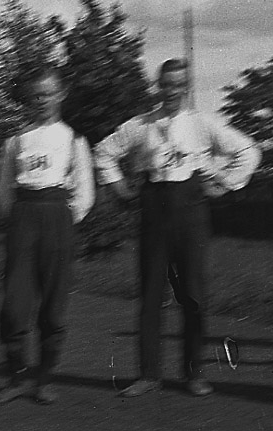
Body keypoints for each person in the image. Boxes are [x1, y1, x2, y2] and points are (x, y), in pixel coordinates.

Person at [94, 58, 259, 398]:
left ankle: (193, 374)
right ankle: (148, 375)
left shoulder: (203, 123)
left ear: (187, 87)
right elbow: (104, 152)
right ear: (158, 86)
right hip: (154, 213)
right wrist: (120, 186)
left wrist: (224, 183)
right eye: (166, 84)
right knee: (151, 296)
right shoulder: (140, 125)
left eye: (178, 85)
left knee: (194, 295)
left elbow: (248, 152)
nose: (171, 91)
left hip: (191, 215)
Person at [0, 67, 95, 406]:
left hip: (57, 219)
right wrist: (18, 219)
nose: (41, 100)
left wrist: (63, 219)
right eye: (36, 94)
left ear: (61, 94)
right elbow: (2, 189)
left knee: (53, 305)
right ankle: (16, 377)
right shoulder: (16, 141)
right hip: (23, 218)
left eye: (47, 93)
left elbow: (85, 192)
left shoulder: (74, 139)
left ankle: (45, 379)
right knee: (14, 303)